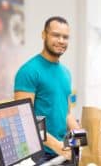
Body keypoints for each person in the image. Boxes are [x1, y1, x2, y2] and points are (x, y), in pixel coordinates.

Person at [14, 16, 80, 161]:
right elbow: (25, 119)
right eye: (56, 35)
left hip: (61, 150)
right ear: (44, 35)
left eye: (65, 37)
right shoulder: (29, 71)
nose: (61, 41)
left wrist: (80, 137)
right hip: (38, 154)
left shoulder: (65, 73)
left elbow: (67, 113)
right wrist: (57, 146)